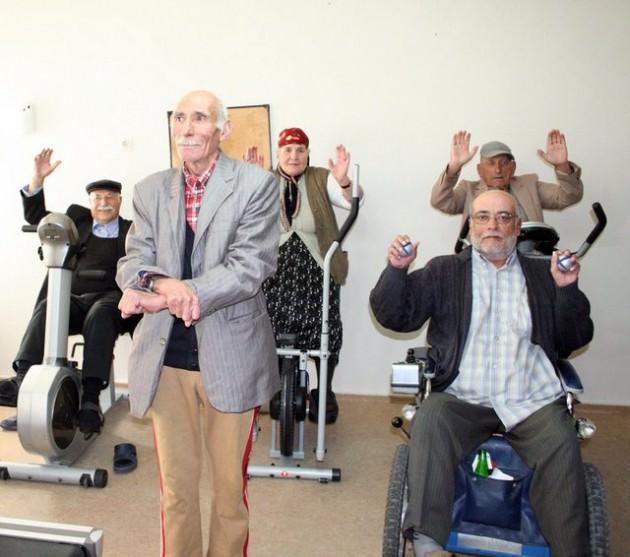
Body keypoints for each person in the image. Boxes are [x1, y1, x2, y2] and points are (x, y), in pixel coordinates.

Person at [370, 190, 593, 557]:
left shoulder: (543, 274)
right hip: (462, 396)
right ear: (470, 225)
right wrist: (397, 269)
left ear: (517, 228)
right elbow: (395, 315)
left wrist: (567, 291)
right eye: (483, 217)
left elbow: (574, 339)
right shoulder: (445, 271)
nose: (493, 225)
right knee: (431, 419)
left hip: (530, 398)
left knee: (561, 441)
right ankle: (428, 544)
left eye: (504, 217)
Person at [116, 90, 280, 557]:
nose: (187, 128)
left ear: (223, 129)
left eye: (201, 118)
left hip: (232, 357)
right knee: (177, 493)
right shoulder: (150, 189)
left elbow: (250, 266)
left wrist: (182, 291)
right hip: (166, 359)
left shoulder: (256, 185)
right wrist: (157, 283)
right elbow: (133, 261)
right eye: (180, 118)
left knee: (229, 496)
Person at [0, 148, 135, 435]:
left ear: (120, 201)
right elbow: (38, 218)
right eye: (98, 198)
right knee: (49, 306)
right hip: (73, 299)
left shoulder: (132, 230)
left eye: (110, 197)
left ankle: (90, 399)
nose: (104, 202)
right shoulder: (77, 220)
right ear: (89, 202)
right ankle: (23, 382)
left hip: (110, 301)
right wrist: (37, 180)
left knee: (101, 313)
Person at [245, 129, 363, 424]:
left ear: (308, 154)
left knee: (325, 328)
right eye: (288, 150)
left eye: (300, 150)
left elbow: (353, 201)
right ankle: (277, 386)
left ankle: (325, 391)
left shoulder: (321, 177)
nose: (294, 156)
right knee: (273, 327)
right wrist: (251, 180)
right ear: (278, 154)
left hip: (318, 267)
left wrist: (344, 181)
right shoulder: (265, 179)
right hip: (275, 271)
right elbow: (243, 212)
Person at [430, 129, 583, 223]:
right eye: (491, 163)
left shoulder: (529, 185)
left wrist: (562, 166)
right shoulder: (468, 190)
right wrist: (453, 168)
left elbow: (569, 197)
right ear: (479, 170)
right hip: (480, 259)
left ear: (513, 167)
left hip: (526, 257)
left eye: (503, 163)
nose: (498, 170)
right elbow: (440, 201)